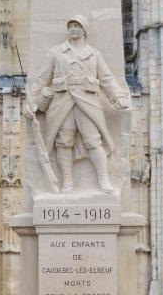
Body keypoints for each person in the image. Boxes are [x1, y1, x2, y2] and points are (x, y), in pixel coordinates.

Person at [26, 15, 130, 193]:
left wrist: (118, 96)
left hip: (87, 100)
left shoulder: (94, 54)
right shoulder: (56, 52)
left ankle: (104, 180)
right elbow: (43, 78)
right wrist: (33, 102)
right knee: (64, 141)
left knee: (93, 140)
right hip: (62, 100)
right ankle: (67, 181)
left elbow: (107, 78)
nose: (73, 29)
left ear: (84, 30)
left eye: (77, 26)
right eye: (71, 26)